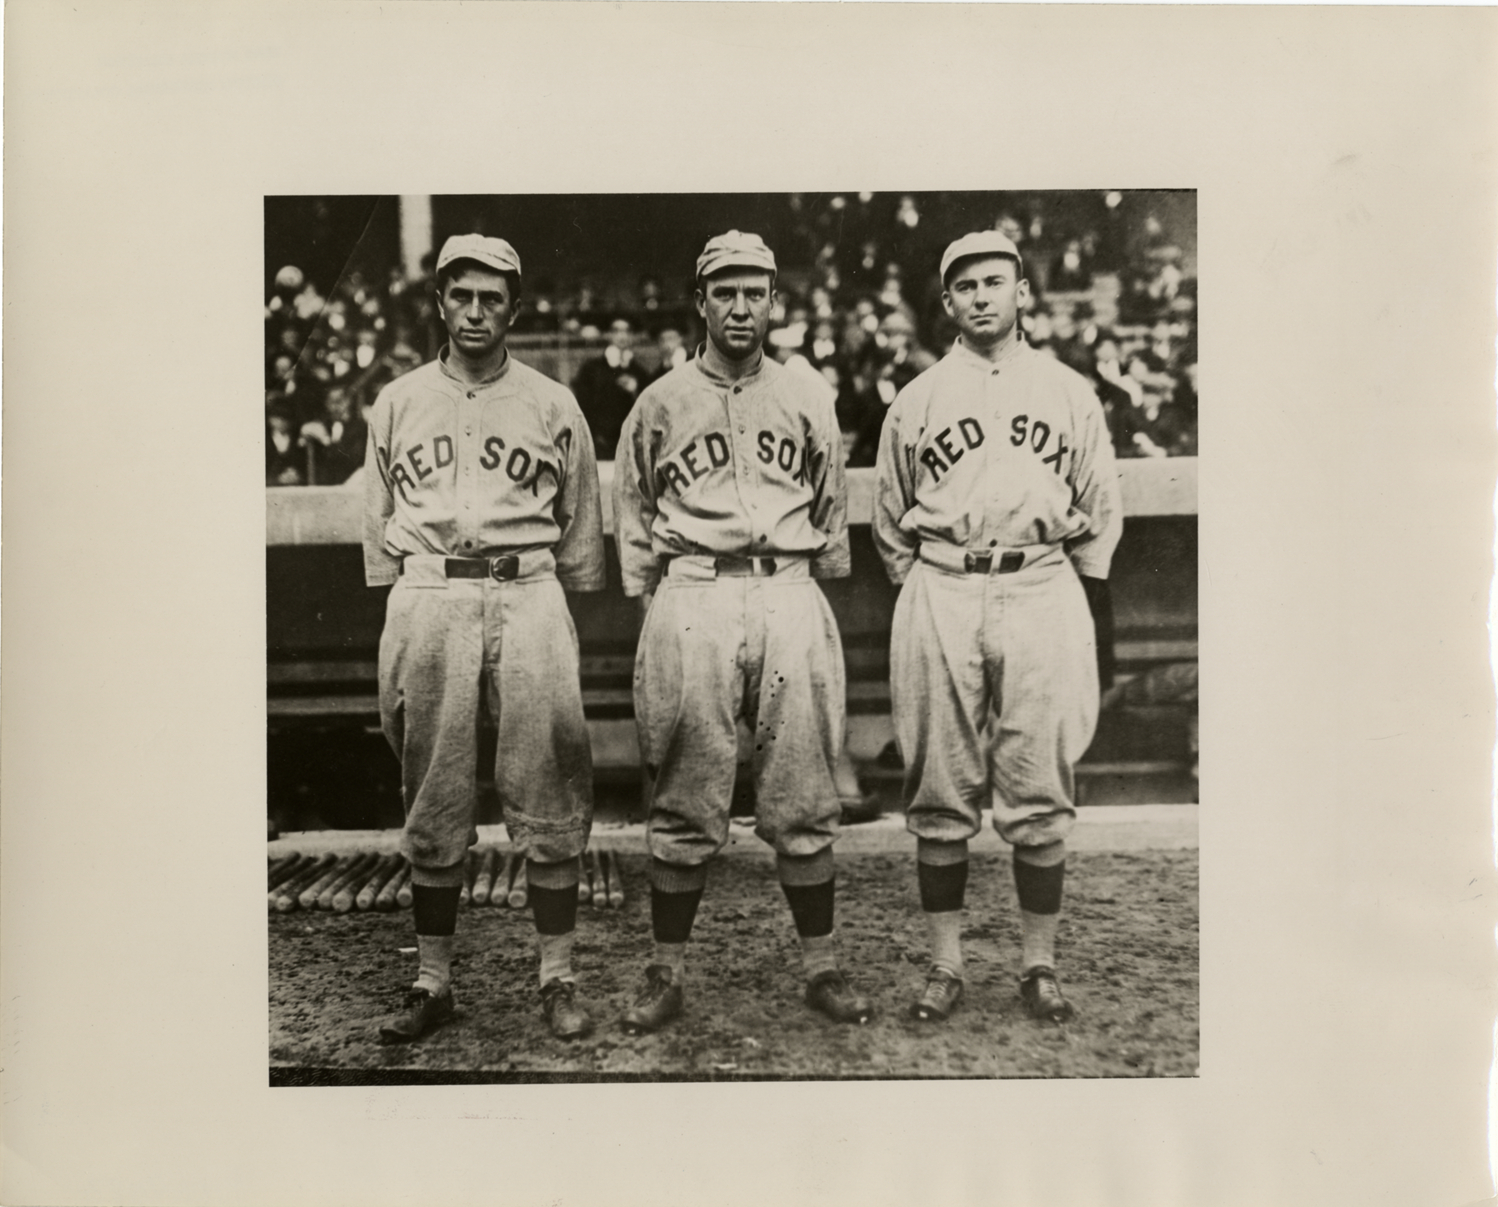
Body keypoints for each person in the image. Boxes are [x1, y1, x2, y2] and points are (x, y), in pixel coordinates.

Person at [612, 230, 872, 1033]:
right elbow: (634, 511)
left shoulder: (808, 394)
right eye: (724, 290)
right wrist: (660, 588)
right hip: (694, 589)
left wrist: (806, 579)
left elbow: (830, 512)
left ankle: (822, 966)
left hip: (788, 588)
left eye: (754, 291)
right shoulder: (659, 400)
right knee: (686, 790)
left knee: (803, 788)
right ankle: (668, 972)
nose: (739, 306)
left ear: (773, 301)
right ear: (700, 301)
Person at [873, 231, 1122, 1025]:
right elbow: (889, 526)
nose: (982, 296)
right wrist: (931, 583)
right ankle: (946, 963)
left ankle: (1038, 963)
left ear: (1022, 293)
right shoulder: (917, 398)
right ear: (946, 303)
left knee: (1040, 785)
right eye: (965, 286)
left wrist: (1076, 604)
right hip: (943, 582)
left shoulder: (1069, 391)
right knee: (939, 784)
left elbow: (1099, 513)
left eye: (995, 281)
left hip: (1042, 580)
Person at [363, 234, 605, 1044]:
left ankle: (557, 975)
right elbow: (379, 533)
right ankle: (433, 981)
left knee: (550, 779)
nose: (475, 312)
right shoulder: (397, 400)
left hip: (527, 587)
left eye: (491, 298)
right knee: (433, 787)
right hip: (431, 590)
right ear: (440, 301)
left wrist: (539, 587)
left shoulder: (550, 401)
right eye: (461, 296)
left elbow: (580, 536)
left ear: (515, 308)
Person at [571, 316, 649, 459]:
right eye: (616, 330)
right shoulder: (591, 368)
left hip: (629, 447)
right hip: (599, 445)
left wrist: (635, 391)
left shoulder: (639, 373)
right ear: (608, 334)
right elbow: (582, 407)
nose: (621, 336)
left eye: (626, 331)